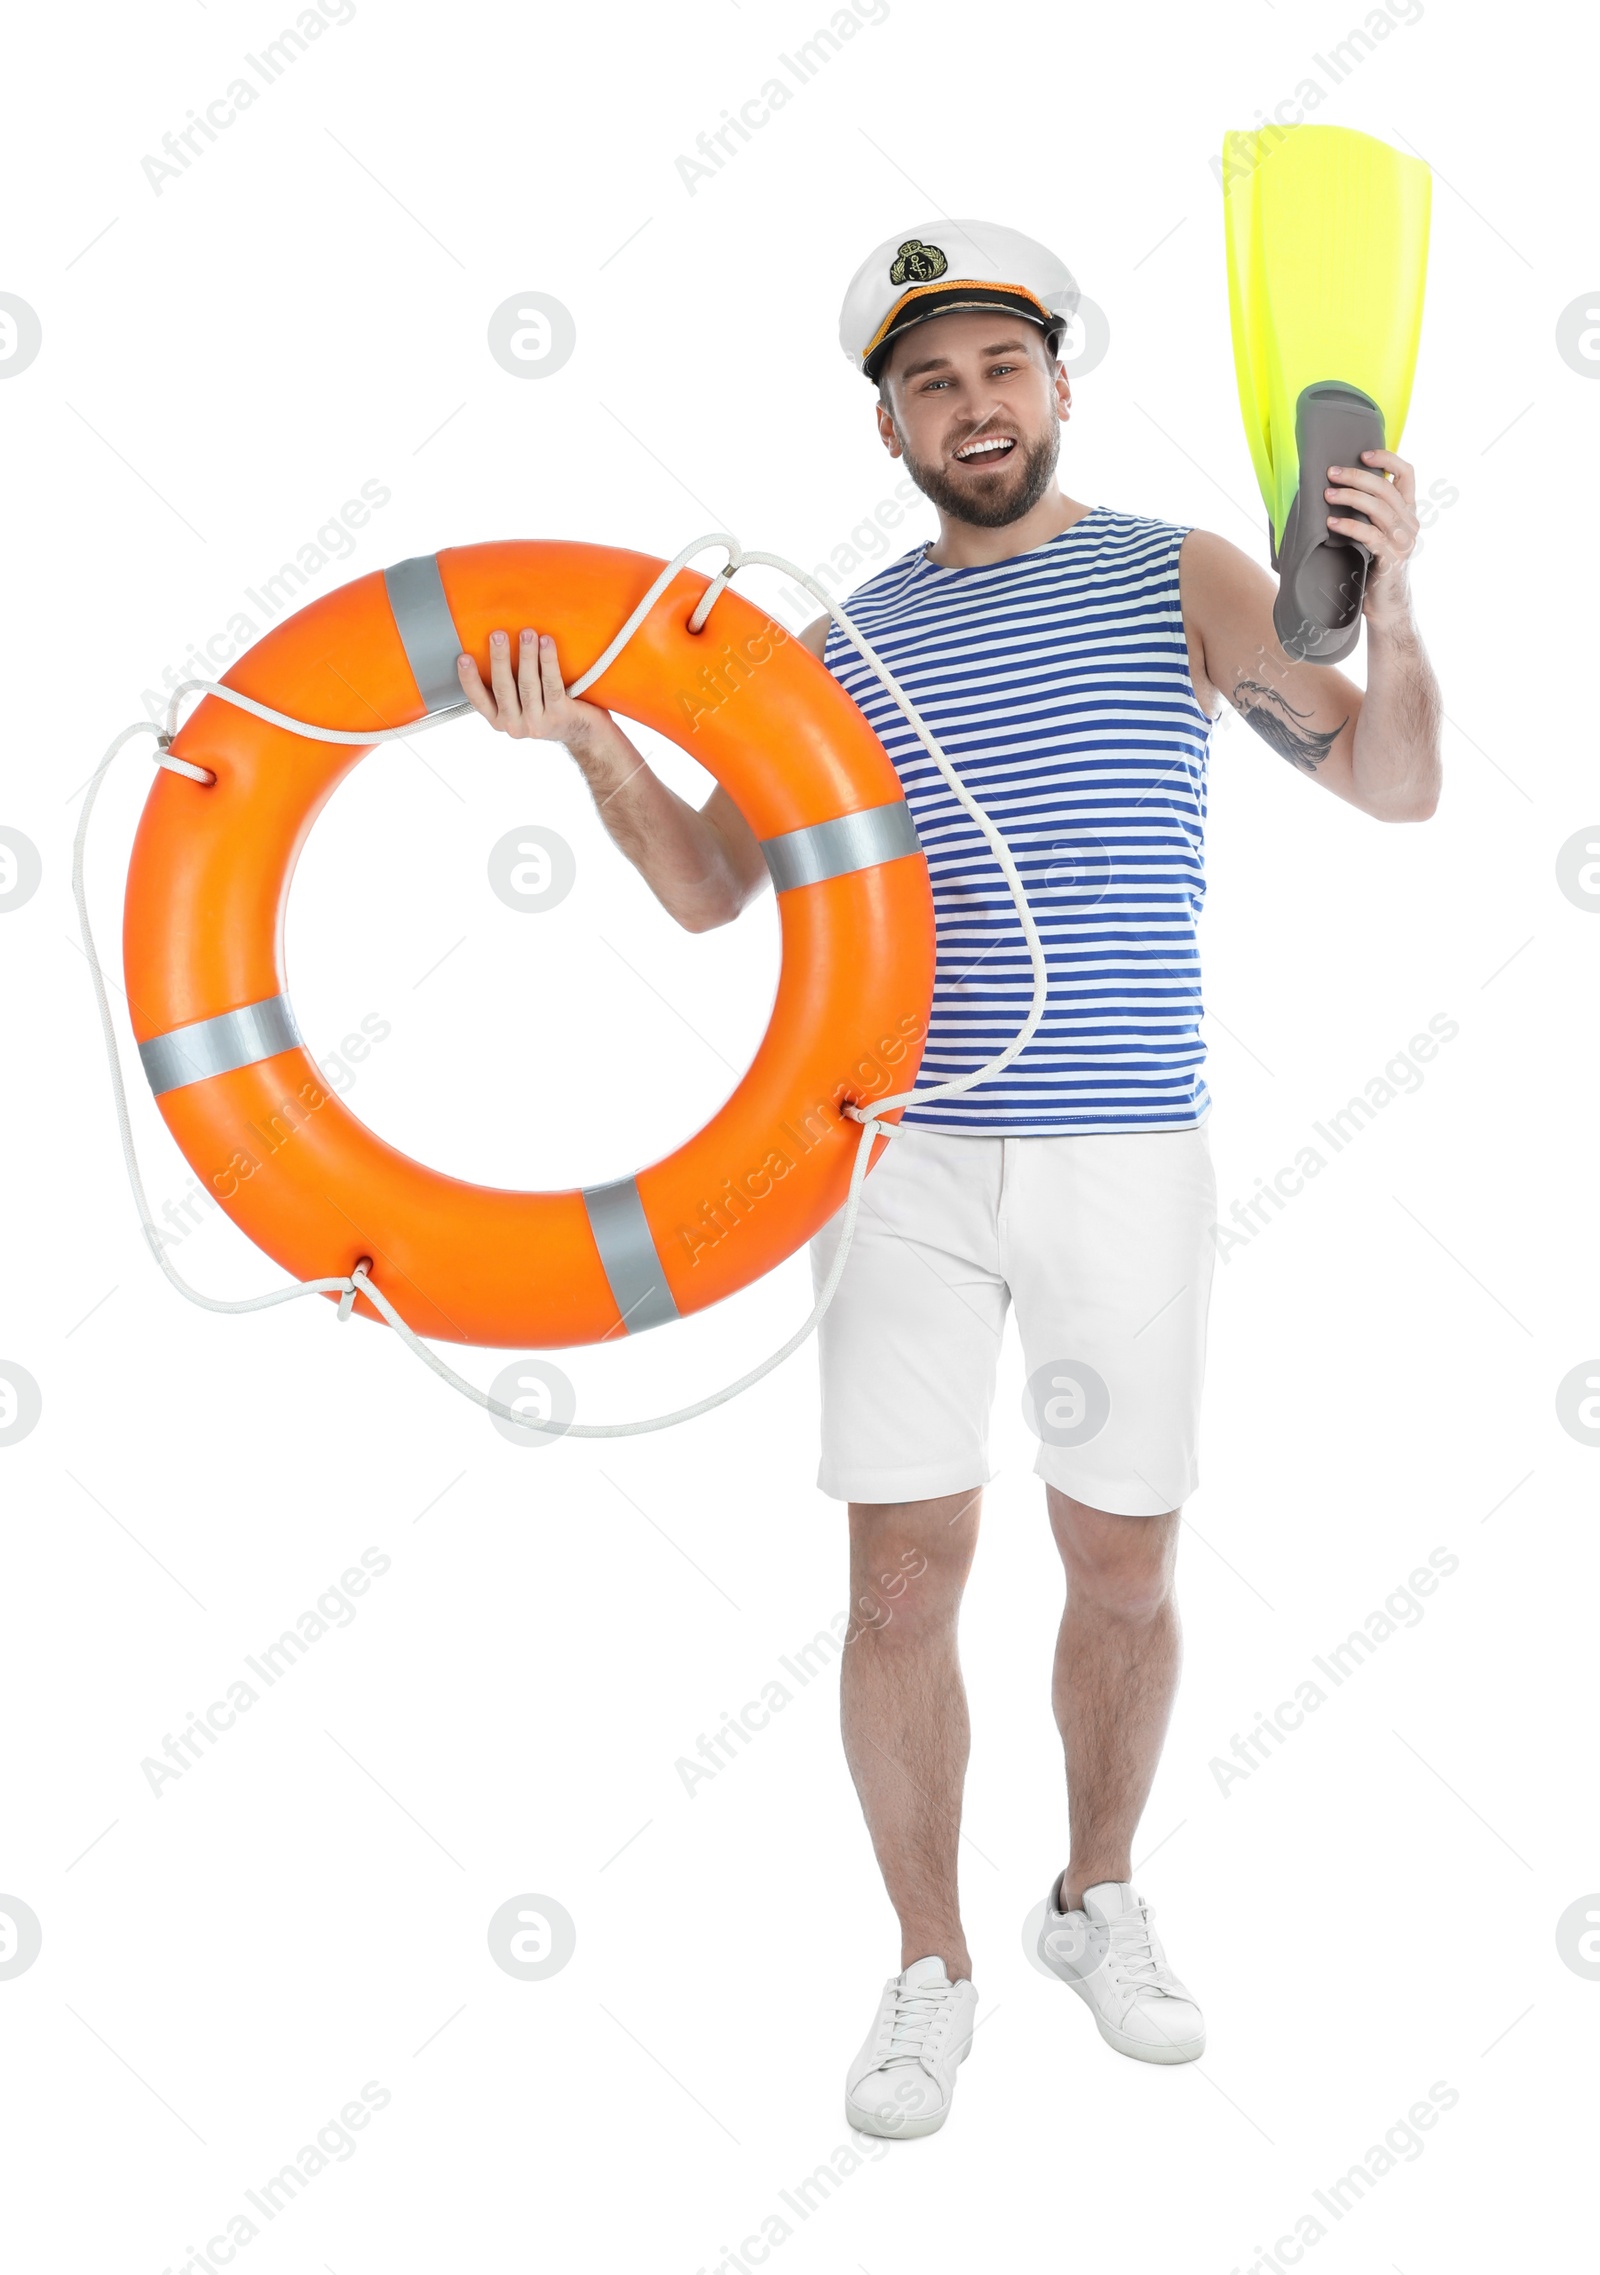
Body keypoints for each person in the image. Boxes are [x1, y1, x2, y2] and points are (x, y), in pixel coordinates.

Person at [457, 218, 1442, 2139]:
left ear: (1059, 388)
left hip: (1125, 1155)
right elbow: (705, 887)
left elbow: (1390, 786)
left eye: (1001, 369)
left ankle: (1096, 1898)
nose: (972, 406)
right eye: (931, 383)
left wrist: (1390, 607)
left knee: (1123, 1567)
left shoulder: (1186, 581)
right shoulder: (839, 654)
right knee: (900, 1591)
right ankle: (931, 1964)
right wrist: (586, 736)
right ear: (891, 428)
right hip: (900, 1160)